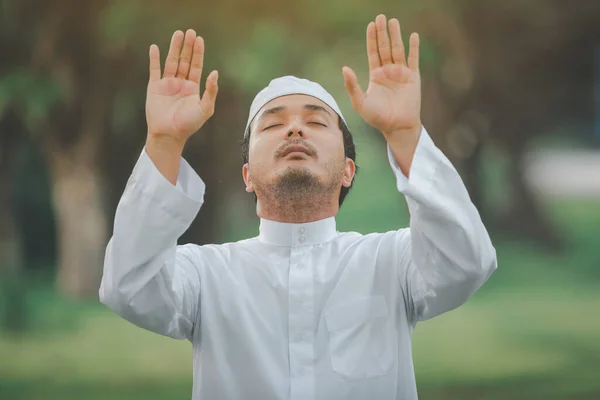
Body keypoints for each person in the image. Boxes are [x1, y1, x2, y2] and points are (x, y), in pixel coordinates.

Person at [99, 14, 497, 400]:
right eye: (272, 125)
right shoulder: (207, 277)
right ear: (247, 176)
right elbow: (128, 289)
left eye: (317, 122)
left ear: (347, 171)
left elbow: (466, 264)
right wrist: (164, 141)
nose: (294, 129)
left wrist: (406, 134)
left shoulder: (391, 263)